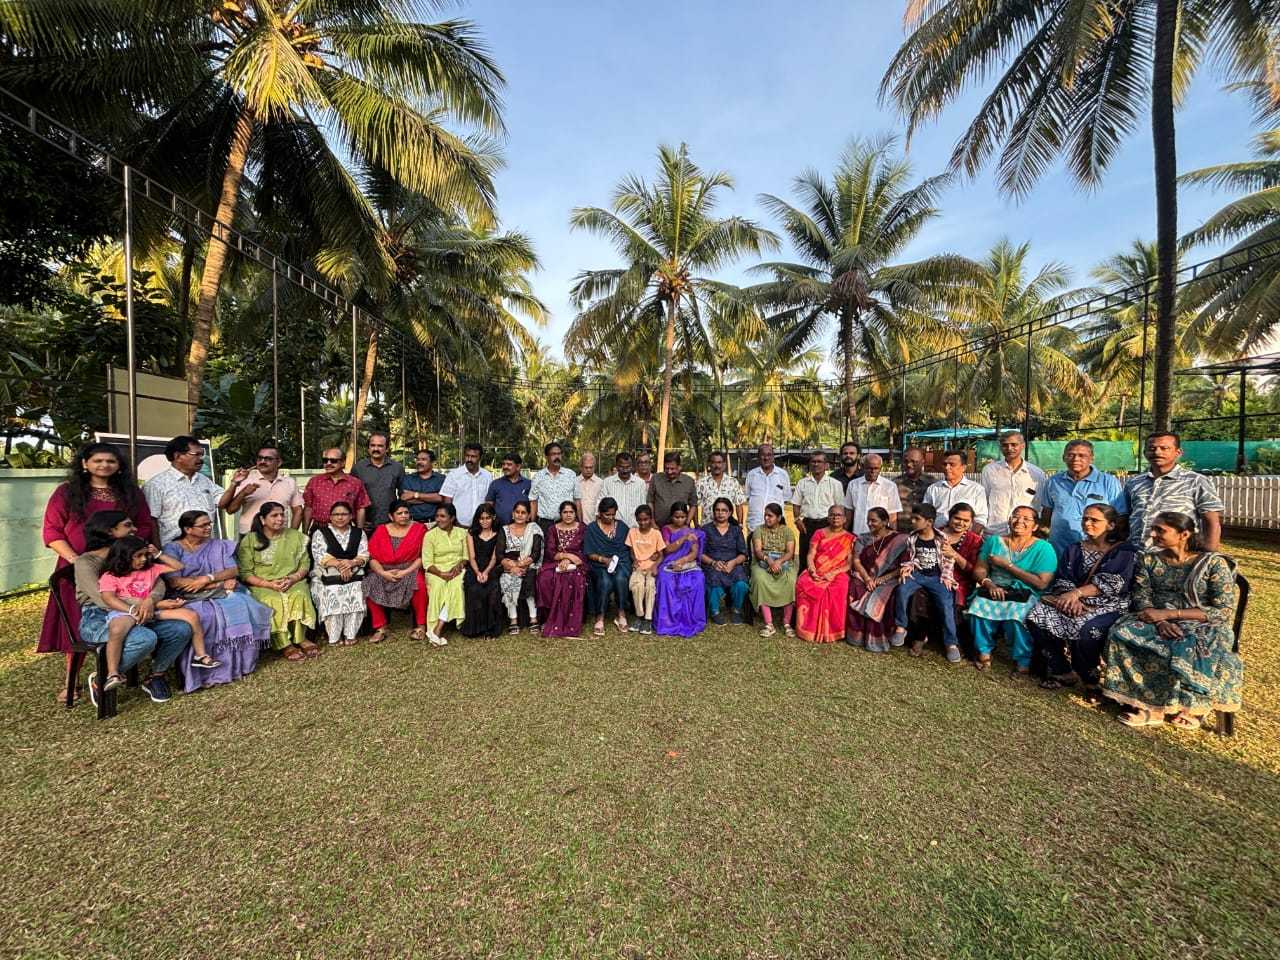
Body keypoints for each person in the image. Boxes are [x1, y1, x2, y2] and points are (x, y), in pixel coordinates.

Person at [39, 441, 156, 703]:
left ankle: (115, 669)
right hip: (78, 567)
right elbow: (52, 531)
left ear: (119, 465)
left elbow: (144, 525)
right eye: (98, 460)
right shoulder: (67, 493)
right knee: (79, 619)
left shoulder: (130, 493)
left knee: (123, 613)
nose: (104, 465)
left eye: (110, 461)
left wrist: (127, 554)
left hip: (124, 567)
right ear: (84, 463)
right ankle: (72, 682)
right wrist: (78, 561)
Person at [1103, 511, 1242, 730]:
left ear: (1184, 534)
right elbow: (1141, 596)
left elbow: (1222, 611)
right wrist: (1159, 621)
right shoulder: (1149, 560)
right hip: (1156, 619)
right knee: (1122, 633)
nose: (1153, 534)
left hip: (1203, 624)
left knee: (1188, 644)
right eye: (1153, 529)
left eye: (1160, 530)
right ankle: (1150, 705)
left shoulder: (1212, 564)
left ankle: (1191, 707)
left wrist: (1169, 615)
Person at [73, 511, 192, 706]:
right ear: (109, 531)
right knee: (145, 638)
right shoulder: (86, 562)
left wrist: (150, 599)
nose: (135, 529)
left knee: (181, 629)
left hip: (140, 610)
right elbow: (104, 599)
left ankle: (156, 675)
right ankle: (103, 678)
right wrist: (150, 603)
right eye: (128, 525)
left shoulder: (135, 555)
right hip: (99, 616)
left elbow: (157, 582)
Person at [1027, 504, 1137, 693]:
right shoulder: (1074, 549)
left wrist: (1077, 594)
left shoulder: (1124, 551)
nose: (1087, 523)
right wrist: (1072, 599)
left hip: (1109, 605)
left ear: (1111, 525)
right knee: (1037, 615)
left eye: (1094, 520)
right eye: (1085, 518)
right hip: (1073, 601)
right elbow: (1063, 579)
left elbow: (1113, 583)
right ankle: (1062, 670)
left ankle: (1089, 678)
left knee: (1087, 629)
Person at [163, 510, 273, 689]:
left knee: (241, 605)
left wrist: (208, 579)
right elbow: (174, 581)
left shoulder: (219, 545)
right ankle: (202, 673)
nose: (208, 528)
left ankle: (236, 668)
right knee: (205, 616)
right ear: (188, 529)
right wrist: (212, 584)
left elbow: (233, 570)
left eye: (209, 524)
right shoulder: (172, 548)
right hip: (186, 597)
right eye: (203, 525)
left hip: (219, 590)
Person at [97, 536, 215, 690]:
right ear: (124, 556)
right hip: (125, 612)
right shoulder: (110, 576)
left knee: (191, 616)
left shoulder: (151, 569)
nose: (143, 559)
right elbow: (109, 598)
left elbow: (178, 566)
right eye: (138, 556)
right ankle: (113, 673)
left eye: (145, 555)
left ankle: (201, 655)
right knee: (117, 630)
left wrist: (158, 554)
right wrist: (131, 610)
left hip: (151, 611)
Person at [967, 505, 1058, 674]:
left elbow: (1041, 583)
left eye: (1026, 519)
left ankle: (1023, 660)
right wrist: (989, 584)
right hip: (994, 588)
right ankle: (984, 653)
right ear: (1009, 520)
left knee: (1016, 616)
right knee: (978, 609)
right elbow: (979, 569)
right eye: (1015, 516)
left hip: (1026, 593)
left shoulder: (1044, 548)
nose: (1019, 521)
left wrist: (1007, 565)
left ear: (1035, 526)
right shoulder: (994, 541)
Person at [236, 501, 317, 661]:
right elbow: (245, 572)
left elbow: (305, 564)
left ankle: (300, 638)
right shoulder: (250, 540)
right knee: (271, 600)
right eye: (274, 515)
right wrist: (269, 584)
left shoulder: (296, 537)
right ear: (262, 519)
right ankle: (284, 643)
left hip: (292, 581)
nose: (280, 519)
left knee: (299, 594)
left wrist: (293, 578)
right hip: (262, 584)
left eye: (282, 515)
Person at [1122, 432, 1224, 551]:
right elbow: (1126, 517)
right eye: (1152, 449)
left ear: (1178, 452)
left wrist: (1209, 553)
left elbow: (1211, 521)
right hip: (1136, 554)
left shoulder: (1196, 481)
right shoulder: (1134, 482)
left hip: (1178, 555)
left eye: (1164, 448)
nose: (1157, 452)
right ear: (1145, 453)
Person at [891, 504, 963, 663]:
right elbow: (911, 558)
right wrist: (908, 568)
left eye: (917, 519)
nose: (912, 521)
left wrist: (947, 577)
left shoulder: (941, 538)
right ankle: (901, 627)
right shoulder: (912, 537)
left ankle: (951, 643)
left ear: (929, 522)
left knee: (946, 603)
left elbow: (949, 559)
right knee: (902, 590)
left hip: (936, 577)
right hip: (918, 574)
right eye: (912, 518)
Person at [1036, 439, 1126, 559]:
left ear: (1091, 458)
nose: (1075, 459)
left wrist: (1111, 545)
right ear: (1063, 458)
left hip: (1096, 550)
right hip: (1059, 548)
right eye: (1071, 455)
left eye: (1082, 455)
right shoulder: (1054, 481)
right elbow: (1047, 513)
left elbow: (1120, 516)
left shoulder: (1108, 482)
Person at [847, 507, 910, 652]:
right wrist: (867, 579)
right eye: (868, 520)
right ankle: (857, 636)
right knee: (856, 586)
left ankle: (880, 636)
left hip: (890, 578)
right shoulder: (863, 538)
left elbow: (903, 566)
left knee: (885, 594)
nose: (869, 523)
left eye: (873, 520)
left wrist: (881, 579)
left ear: (885, 521)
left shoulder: (900, 540)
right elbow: (856, 561)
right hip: (866, 576)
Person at [364, 500, 427, 642]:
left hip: (411, 568)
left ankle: (421, 626)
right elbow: (372, 557)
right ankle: (381, 627)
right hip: (384, 570)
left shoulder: (419, 529)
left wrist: (406, 572)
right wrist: (383, 573)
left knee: (420, 585)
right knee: (369, 584)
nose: (404, 516)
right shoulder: (381, 530)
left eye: (406, 513)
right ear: (391, 516)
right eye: (399, 513)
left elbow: (423, 556)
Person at [308, 501, 370, 647]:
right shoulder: (320, 533)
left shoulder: (358, 533)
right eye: (336, 514)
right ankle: (334, 636)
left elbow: (364, 554)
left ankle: (350, 634)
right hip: (327, 574)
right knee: (333, 591)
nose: (340, 517)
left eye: (344, 514)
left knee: (357, 589)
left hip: (354, 572)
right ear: (330, 517)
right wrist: (341, 566)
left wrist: (352, 563)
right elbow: (319, 555)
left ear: (351, 516)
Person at [144, 435, 225, 544]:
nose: (201, 459)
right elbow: (151, 520)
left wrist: (236, 484)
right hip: (173, 548)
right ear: (178, 456)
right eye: (196, 454)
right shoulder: (156, 484)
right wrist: (158, 550)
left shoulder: (204, 480)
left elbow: (224, 501)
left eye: (201, 454)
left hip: (205, 547)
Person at [793, 504, 855, 644]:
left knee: (839, 587)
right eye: (832, 515)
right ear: (827, 517)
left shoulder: (850, 538)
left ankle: (832, 631)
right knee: (803, 582)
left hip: (838, 572)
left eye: (838, 515)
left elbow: (849, 564)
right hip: (817, 569)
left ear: (845, 519)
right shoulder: (819, 533)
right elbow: (811, 554)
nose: (835, 518)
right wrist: (811, 569)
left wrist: (833, 573)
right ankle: (807, 629)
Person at [219, 445, 303, 534]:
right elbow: (230, 510)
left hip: (279, 535)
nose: (262, 461)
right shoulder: (245, 480)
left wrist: (291, 535)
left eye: (268, 459)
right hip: (251, 534)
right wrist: (243, 493)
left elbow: (298, 511)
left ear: (279, 462)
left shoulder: (289, 482)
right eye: (260, 458)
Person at [536, 500, 588, 638]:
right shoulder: (553, 529)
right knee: (545, 578)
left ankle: (569, 620)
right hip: (555, 562)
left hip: (577, 564)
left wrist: (570, 559)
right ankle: (548, 617)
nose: (568, 515)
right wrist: (566, 556)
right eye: (565, 512)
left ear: (575, 513)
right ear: (560, 514)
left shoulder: (582, 528)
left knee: (571, 578)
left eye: (571, 512)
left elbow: (585, 551)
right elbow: (550, 551)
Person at [654, 502, 706, 637]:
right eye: (676, 517)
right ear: (671, 516)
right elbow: (667, 549)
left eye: (683, 517)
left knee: (698, 579)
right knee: (665, 580)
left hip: (686, 563)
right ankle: (668, 621)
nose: (680, 520)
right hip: (668, 562)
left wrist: (682, 561)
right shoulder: (666, 530)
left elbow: (694, 553)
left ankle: (691, 618)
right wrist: (683, 538)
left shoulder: (691, 531)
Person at [980, 432, 1046, 536]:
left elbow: (1038, 506)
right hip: (995, 532)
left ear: (1023, 446)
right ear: (1000, 447)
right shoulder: (989, 471)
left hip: (1024, 534)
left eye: (1014, 445)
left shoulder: (1036, 474)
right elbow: (983, 501)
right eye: (1005, 445)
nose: (1009, 448)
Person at [422, 503, 468, 644]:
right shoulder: (430, 535)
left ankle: (438, 628)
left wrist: (459, 565)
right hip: (435, 571)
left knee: (456, 586)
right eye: (437, 516)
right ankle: (435, 626)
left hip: (457, 570)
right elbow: (427, 562)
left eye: (443, 516)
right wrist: (441, 574)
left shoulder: (462, 533)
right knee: (438, 587)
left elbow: (466, 556)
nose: (439, 519)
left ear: (452, 518)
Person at [749, 502, 797, 638]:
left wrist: (778, 562)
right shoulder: (759, 530)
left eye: (770, 516)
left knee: (791, 580)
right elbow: (758, 550)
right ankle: (769, 624)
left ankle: (787, 623)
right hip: (763, 562)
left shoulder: (787, 531)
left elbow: (790, 552)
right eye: (765, 515)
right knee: (760, 579)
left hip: (784, 563)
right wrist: (769, 560)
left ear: (779, 517)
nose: (766, 518)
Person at [585, 497, 631, 635]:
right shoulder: (592, 528)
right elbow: (589, 552)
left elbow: (626, 549)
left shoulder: (621, 527)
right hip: (599, 564)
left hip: (620, 562)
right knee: (605, 581)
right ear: (600, 513)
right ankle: (600, 616)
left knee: (620, 578)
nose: (610, 518)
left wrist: (616, 562)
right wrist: (603, 559)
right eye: (607, 514)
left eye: (613, 514)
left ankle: (621, 613)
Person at [699, 497, 749, 625]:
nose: (720, 513)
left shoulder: (736, 530)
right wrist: (713, 562)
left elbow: (743, 554)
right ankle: (715, 611)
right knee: (713, 578)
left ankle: (736, 610)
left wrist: (733, 562)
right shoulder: (706, 529)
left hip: (733, 564)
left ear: (730, 512)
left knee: (741, 583)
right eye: (717, 510)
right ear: (713, 512)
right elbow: (700, 553)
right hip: (712, 565)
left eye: (724, 510)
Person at [462, 503, 506, 639]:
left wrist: (486, 572)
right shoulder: (471, 533)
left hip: (492, 567)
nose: (484, 521)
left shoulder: (498, 533)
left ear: (493, 518)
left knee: (492, 589)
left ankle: (491, 628)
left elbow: (494, 558)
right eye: (481, 518)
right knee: (474, 589)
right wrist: (477, 573)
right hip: (474, 567)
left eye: (487, 518)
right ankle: (475, 628)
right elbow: (472, 557)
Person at [792, 451, 845, 563]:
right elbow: (796, 504)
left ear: (826, 465)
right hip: (807, 525)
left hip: (827, 525)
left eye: (819, 461)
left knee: (825, 559)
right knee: (805, 558)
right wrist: (797, 520)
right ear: (810, 464)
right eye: (813, 461)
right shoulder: (802, 483)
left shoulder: (835, 484)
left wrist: (837, 527)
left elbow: (840, 507)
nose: (816, 464)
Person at [500, 500, 543, 633]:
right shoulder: (505, 529)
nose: (519, 515)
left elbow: (535, 553)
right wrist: (512, 566)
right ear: (513, 514)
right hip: (509, 565)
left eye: (523, 512)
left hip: (530, 564)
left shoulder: (534, 529)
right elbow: (499, 553)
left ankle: (533, 618)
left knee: (529, 579)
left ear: (528, 516)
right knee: (508, 578)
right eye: (517, 512)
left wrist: (522, 565)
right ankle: (513, 620)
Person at [303, 448, 371, 530]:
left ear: (343, 462)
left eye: (333, 461)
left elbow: (360, 508)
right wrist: (305, 532)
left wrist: (359, 531)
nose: (328, 463)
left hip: (345, 530)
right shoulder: (314, 481)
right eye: (325, 460)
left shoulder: (355, 483)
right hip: (319, 529)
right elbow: (308, 508)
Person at [923, 451, 988, 532]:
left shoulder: (976, 490)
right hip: (937, 535)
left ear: (963, 467)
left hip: (965, 537)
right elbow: (925, 515)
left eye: (952, 464)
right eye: (945, 464)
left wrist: (969, 537)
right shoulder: (933, 489)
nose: (947, 468)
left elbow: (981, 518)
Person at [352, 431, 405, 529]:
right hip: (366, 524)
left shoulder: (397, 468)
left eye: (380, 446)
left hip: (390, 524)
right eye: (372, 445)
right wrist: (357, 520)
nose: (376, 449)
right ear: (368, 448)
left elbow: (403, 496)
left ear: (387, 448)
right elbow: (352, 497)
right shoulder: (358, 468)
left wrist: (398, 517)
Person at [843, 453, 903, 535]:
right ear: (863, 467)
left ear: (880, 468)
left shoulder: (890, 486)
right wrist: (844, 535)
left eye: (876, 468)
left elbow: (893, 516)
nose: (873, 471)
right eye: (869, 468)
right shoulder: (853, 484)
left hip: (881, 537)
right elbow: (848, 513)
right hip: (858, 534)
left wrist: (892, 538)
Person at [626, 504, 663, 634]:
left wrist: (655, 566)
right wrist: (634, 560)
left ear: (650, 519)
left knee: (650, 586)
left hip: (651, 567)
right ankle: (639, 616)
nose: (643, 523)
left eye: (646, 519)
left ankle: (648, 619)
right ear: (636, 519)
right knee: (638, 586)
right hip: (638, 567)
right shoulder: (632, 532)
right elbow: (631, 551)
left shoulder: (656, 534)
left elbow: (661, 555)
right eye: (640, 520)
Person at [529, 442, 578, 536]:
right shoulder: (538, 476)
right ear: (547, 457)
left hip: (567, 523)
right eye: (553, 454)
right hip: (545, 524)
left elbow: (577, 500)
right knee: (546, 546)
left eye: (559, 454)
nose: (557, 457)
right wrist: (533, 524)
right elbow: (533, 501)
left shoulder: (571, 475)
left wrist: (580, 521)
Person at [440, 442, 493, 527]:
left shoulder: (487, 476)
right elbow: (447, 501)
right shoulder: (454, 475)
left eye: (473, 456)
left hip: (482, 526)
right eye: (467, 456)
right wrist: (454, 521)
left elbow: (489, 501)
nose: (469, 459)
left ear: (480, 458)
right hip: (458, 525)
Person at [745, 443, 793, 531]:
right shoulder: (751, 475)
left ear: (773, 457)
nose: (766, 458)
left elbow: (786, 498)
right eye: (763, 455)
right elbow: (748, 497)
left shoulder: (783, 475)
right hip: (755, 525)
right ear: (758, 457)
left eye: (769, 455)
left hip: (776, 527)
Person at [694, 451, 746, 526]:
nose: (716, 465)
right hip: (707, 527)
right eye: (713, 462)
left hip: (728, 528)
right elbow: (694, 505)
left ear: (724, 464)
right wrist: (696, 525)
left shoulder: (733, 482)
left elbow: (739, 504)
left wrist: (740, 524)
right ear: (709, 464)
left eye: (719, 462)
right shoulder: (701, 483)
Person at [648, 451, 697, 527]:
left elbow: (693, 505)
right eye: (666, 468)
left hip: (681, 528)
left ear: (679, 467)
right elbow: (650, 501)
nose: (669, 472)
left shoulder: (689, 481)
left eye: (672, 469)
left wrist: (686, 523)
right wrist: (653, 523)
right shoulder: (656, 479)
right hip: (658, 527)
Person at [599, 452, 649, 527]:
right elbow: (600, 504)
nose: (625, 470)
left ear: (632, 466)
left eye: (628, 467)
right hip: (613, 528)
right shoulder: (607, 482)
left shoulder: (640, 484)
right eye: (622, 467)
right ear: (616, 466)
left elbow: (643, 507)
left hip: (634, 528)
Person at [893, 447, 935, 533]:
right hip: (901, 533)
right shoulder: (894, 484)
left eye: (913, 461)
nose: (909, 464)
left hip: (925, 534)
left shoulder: (933, 484)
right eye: (906, 461)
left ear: (923, 462)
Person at [401, 448, 446, 524]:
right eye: (418, 459)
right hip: (412, 523)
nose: (419, 462)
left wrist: (414, 494)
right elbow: (404, 499)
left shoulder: (441, 479)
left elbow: (440, 498)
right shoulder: (408, 479)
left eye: (423, 459)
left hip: (435, 523)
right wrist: (432, 499)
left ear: (432, 462)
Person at [486, 453, 533, 525]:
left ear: (518, 466)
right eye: (503, 464)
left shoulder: (529, 484)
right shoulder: (495, 484)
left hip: (523, 528)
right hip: (499, 528)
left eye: (509, 464)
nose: (505, 467)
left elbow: (534, 506)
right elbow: (488, 507)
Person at [575, 452, 605, 525]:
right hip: (577, 523)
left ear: (594, 467)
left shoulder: (601, 483)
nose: (588, 470)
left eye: (591, 467)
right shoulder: (575, 481)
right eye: (586, 467)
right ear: (581, 467)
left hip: (595, 523)